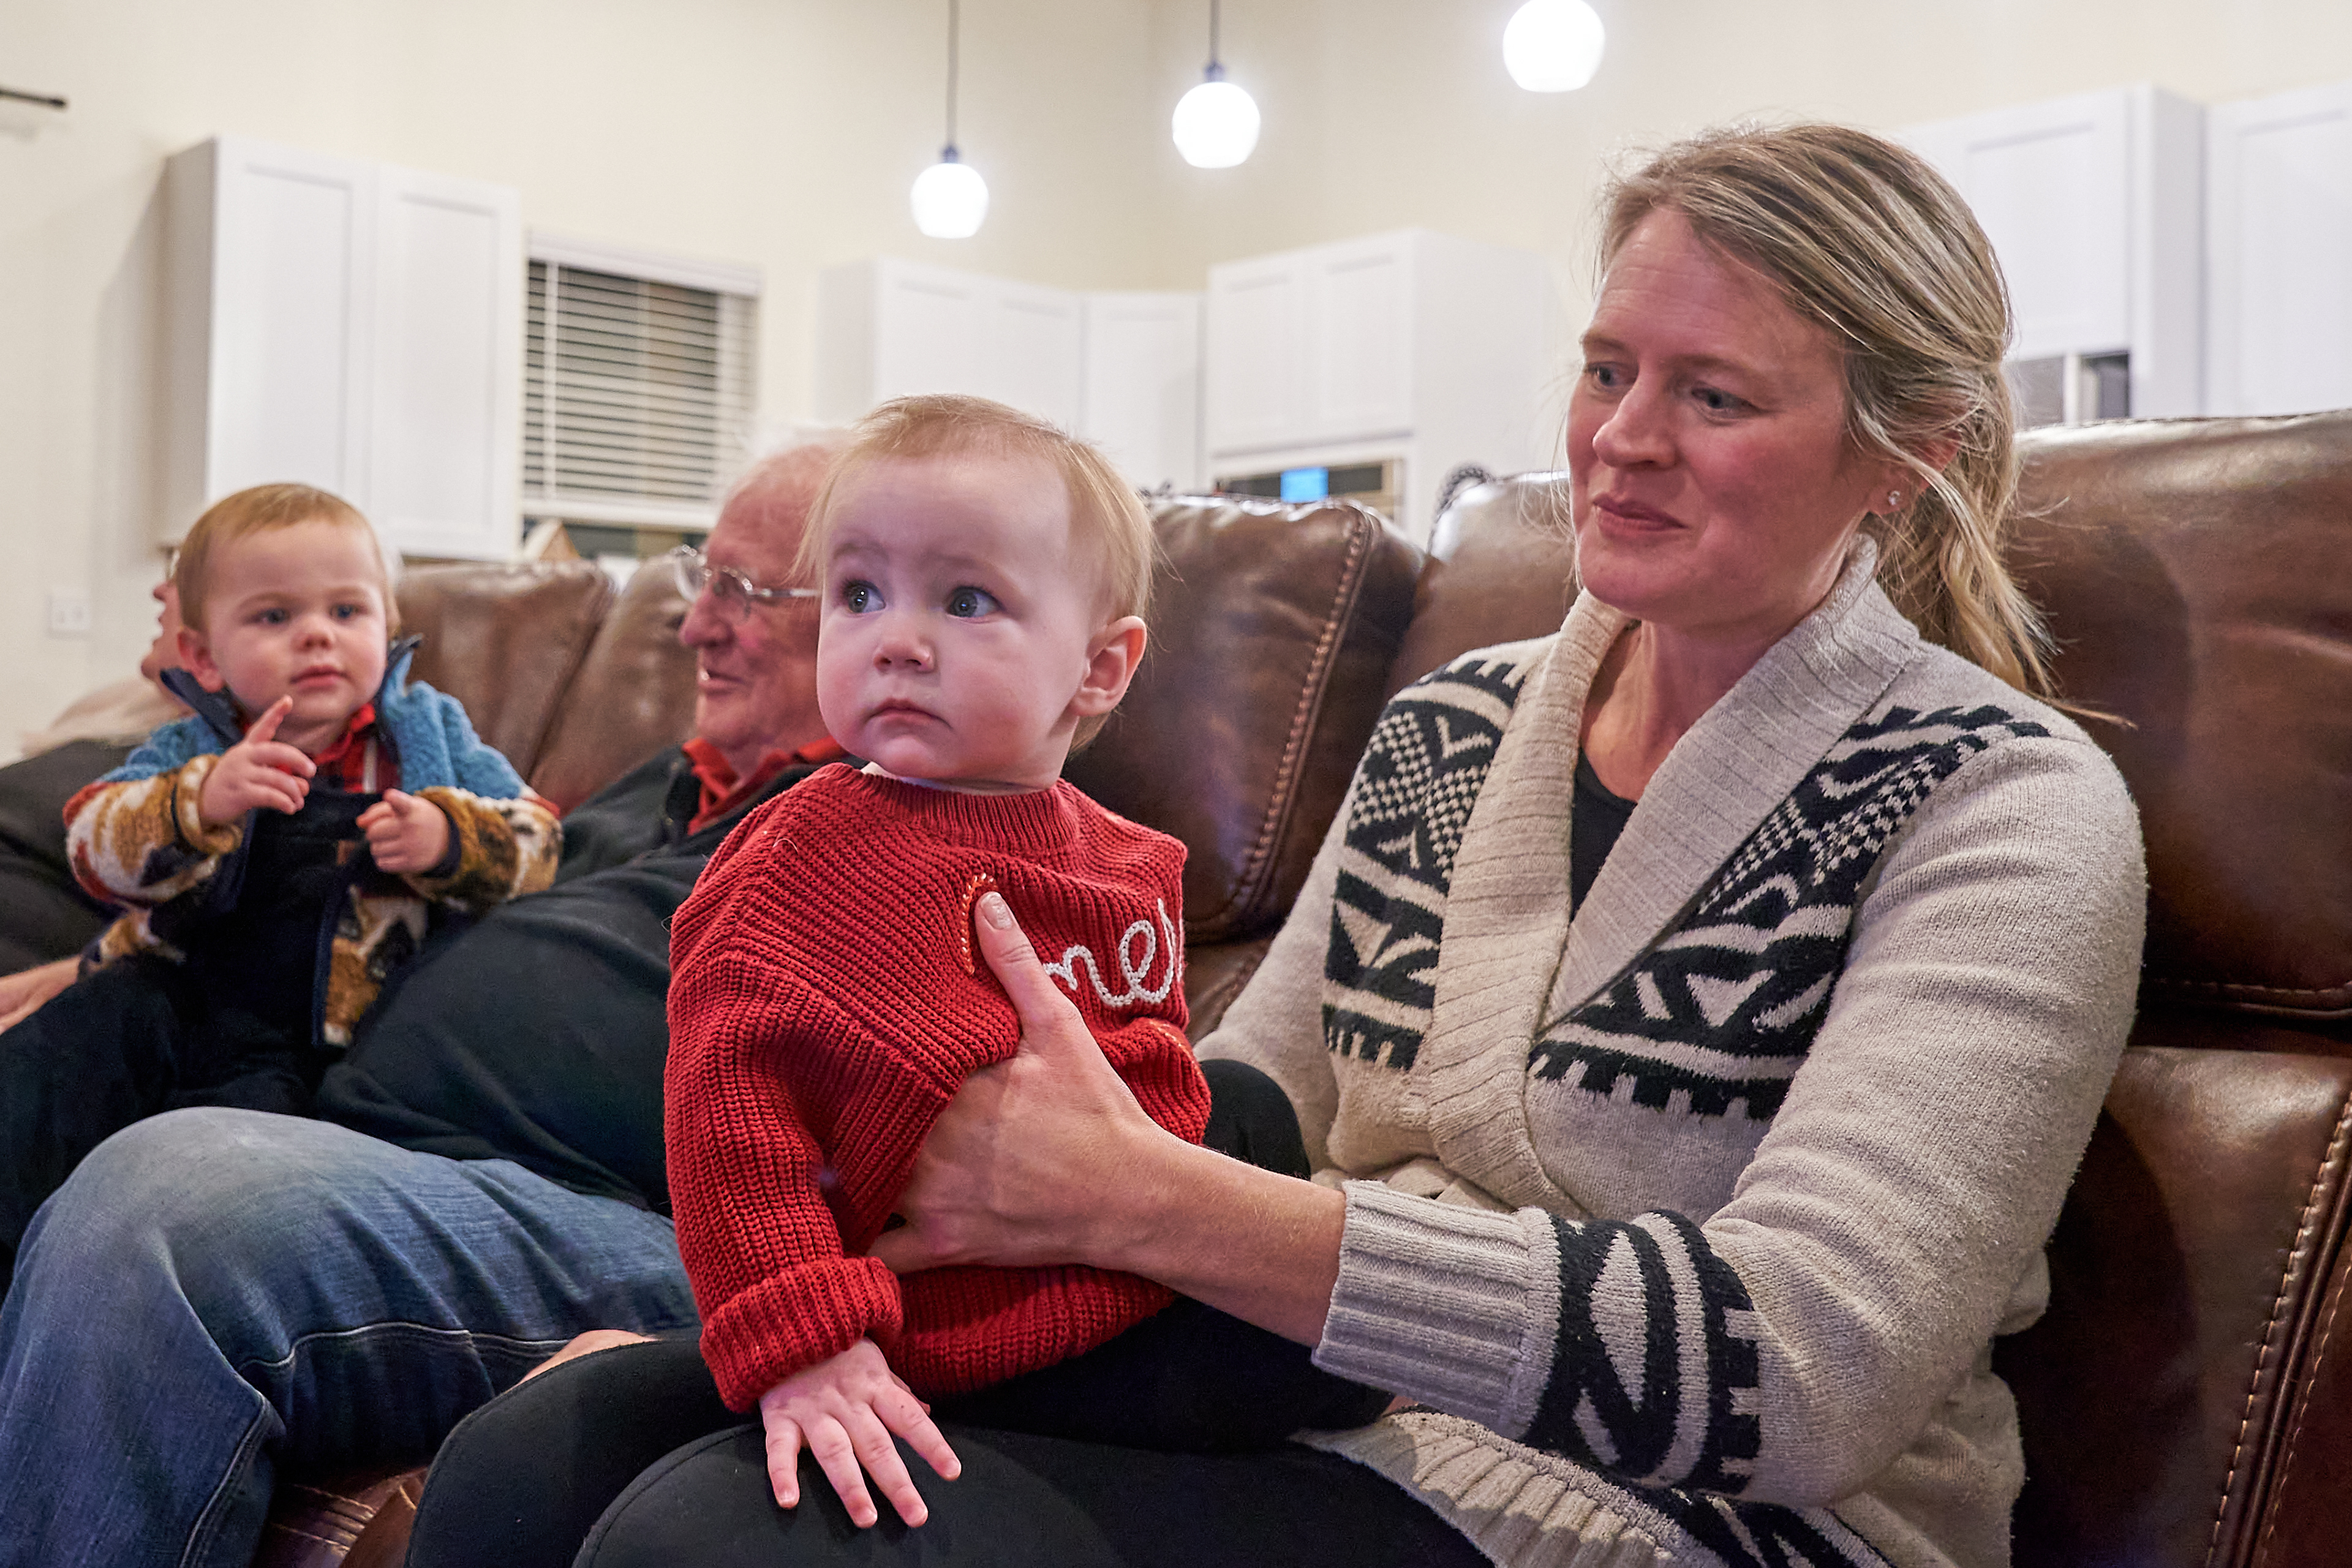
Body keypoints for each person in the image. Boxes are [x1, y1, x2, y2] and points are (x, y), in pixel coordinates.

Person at [518, 124, 2147, 1568]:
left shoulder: (2003, 805)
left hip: (1677, 1518)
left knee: (725, 1533)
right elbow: (1250, 1104)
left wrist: (1151, 1207)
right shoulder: (1455, 725)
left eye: (1712, 397)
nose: (1623, 437)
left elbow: (1809, 1372)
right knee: (552, 1452)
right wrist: (796, 1289)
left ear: (1906, 452)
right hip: (1320, 1403)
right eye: (1605, 369)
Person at [0, 440, 847, 1567]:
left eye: (744, 593)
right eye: (705, 583)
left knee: (160, 1208)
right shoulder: (671, 782)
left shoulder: (892, 816)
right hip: (353, 1143)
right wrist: (89, 972)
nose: (692, 628)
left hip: (595, 1211)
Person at [657, 396, 1387, 1531]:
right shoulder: (798, 859)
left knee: (1338, 1350)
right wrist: (808, 1348)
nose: (897, 636)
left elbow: (1153, 1087)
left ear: (1099, 669)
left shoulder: (1130, 858)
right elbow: (730, 1119)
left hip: (1130, 1286)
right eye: (859, 593)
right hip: (923, 1335)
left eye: (965, 599)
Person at [0, 483, 561, 1278]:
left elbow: (541, 842)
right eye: (274, 617)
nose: (316, 639)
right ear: (202, 656)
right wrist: (198, 803)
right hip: (170, 995)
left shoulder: (430, 736)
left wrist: (449, 839)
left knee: (215, 1172)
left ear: (387, 624)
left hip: (324, 1042)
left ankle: (116, 1273)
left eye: (346, 612)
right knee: (41, 1070)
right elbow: (95, 843)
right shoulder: (188, 746)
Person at [0, 578, 189, 1006]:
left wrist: (88, 967)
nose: (160, 588)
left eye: (185, 570)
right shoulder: (128, 704)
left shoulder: (257, 769)